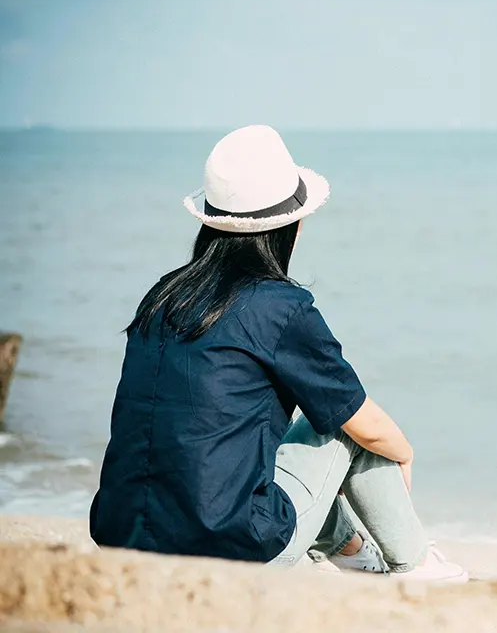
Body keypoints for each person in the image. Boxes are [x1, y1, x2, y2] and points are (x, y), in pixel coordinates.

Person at [89, 125, 467, 582]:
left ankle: (350, 548)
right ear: (292, 225)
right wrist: (404, 454)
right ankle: (415, 563)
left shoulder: (164, 295)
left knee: (253, 430)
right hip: (232, 550)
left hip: (124, 538)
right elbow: (361, 422)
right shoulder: (279, 307)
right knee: (344, 423)